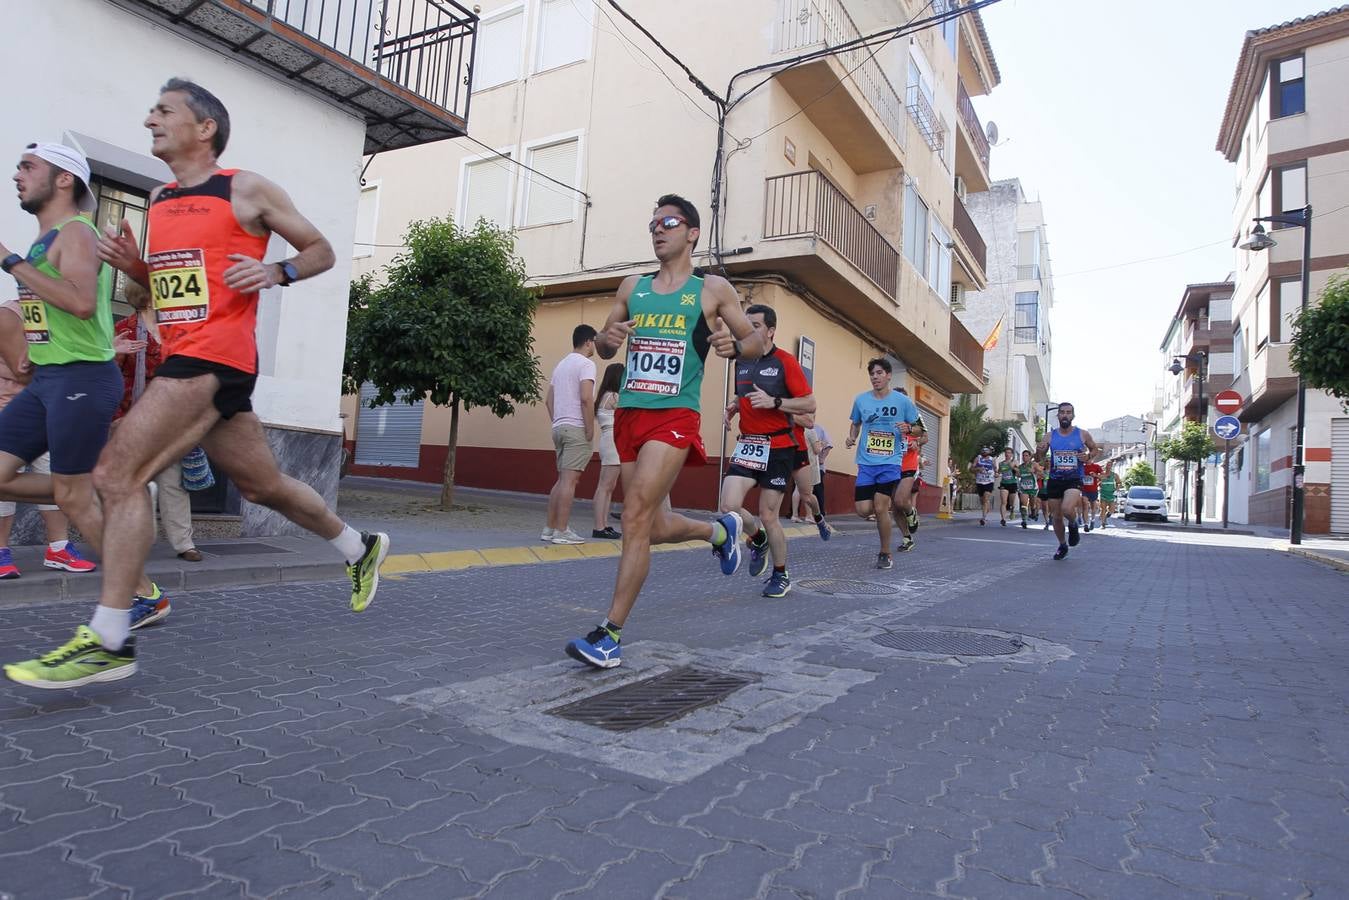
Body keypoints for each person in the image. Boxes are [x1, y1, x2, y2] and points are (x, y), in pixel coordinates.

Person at [6, 81, 390, 689]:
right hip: (184, 355)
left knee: (115, 475)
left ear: (204, 127)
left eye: (164, 111)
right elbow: (154, 294)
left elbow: (320, 250)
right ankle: (358, 545)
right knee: (263, 487)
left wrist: (276, 269)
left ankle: (109, 637)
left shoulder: (245, 188)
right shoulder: (158, 199)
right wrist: (136, 270)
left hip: (218, 357)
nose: (149, 120)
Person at [563, 194, 763, 668]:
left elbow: (754, 341)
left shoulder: (711, 289)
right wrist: (610, 341)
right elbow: (609, 346)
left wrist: (733, 345)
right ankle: (720, 532)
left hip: (675, 415)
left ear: (692, 232)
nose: (658, 229)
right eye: (652, 223)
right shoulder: (632, 285)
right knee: (650, 526)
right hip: (631, 413)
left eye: (668, 222)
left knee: (632, 517)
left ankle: (610, 635)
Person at [0, 142, 163, 632]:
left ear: (64, 179)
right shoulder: (41, 241)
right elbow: (48, 310)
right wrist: (37, 343)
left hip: (83, 379)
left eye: (28, 167)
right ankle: (110, 490)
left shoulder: (77, 232)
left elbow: (82, 304)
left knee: (72, 499)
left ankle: (144, 593)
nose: (17, 175)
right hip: (49, 376)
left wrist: (7, 261)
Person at [720, 304, 816, 599]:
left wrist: (775, 402)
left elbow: (809, 405)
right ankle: (757, 537)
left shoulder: (786, 362)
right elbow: (743, 391)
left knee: (768, 514)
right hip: (749, 443)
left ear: (771, 331)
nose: (749, 330)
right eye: (746, 325)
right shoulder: (742, 360)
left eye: (756, 326)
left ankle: (781, 573)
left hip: (779, 447)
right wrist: (735, 406)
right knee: (728, 505)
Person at [0, 288, 95, 578]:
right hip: (8, 408)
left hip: (48, 409)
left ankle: (59, 547)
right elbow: (23, 371)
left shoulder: (56, 316)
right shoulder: (10, 315)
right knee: (4, 482)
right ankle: (1, 551)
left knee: (56, 474)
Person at [113, 303, 201, 562]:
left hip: (170, 418)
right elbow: (112, 375)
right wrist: (116, 418)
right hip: (133, 416)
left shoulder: (175, 329)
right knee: (135, 482)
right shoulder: (126, 328)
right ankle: (136, 539)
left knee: (174, 481)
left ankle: (184, 542)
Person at [845, 358, 920, 569]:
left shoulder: (902, 402)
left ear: (888, 375)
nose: (875, 377)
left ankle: (885, 553)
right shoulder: (861, 400)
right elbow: (855, 424)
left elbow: (919, 429)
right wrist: (851, 437)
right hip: (866, 463)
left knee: (880, 507)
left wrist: (908, 429)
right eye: (872, 374)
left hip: (890, 462)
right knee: (862, 509)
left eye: (879, 373)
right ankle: (885, 521)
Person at [543, 324, 597, 545]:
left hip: (559, 427)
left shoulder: (561, 365)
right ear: (588, 342)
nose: (594, 346)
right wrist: (590, 428)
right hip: (576, 427)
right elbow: (586, 397)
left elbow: (548, 400)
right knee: (570, 481)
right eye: (594, 341)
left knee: (561, 480)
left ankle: (550, 527)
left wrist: (557, 420)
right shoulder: (586, 364)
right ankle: (562, 530)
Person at [1035, 401, 1100, 560]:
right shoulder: (1050, 436)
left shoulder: (1082, 434)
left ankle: (1072, 524)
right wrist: (1040, 452)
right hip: (1055, 479)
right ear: (1058, 415)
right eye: (1062, 412)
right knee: (1056, 516)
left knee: (1066, 509)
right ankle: (1062, 545)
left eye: (1068, 412)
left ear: (1073, 415)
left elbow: (1095, 449)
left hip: (1073, 479)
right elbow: (1040, 459)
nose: (1065, 415)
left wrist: (1088, 457)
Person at [590, 362, 623, 539]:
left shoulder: (604, 396)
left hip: (607, 441)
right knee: (606, 486)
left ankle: (604, 524)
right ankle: (599, 526)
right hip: (613, 442)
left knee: (607, 486)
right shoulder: (615, 397)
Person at [788, 412, 833, 538]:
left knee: (798, 490)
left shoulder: (794, 428)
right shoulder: (811, 430)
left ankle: (795, 515)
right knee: (808, 492)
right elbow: (817, 450)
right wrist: (820, 445)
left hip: (795, 461)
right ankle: (809, 515)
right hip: (809, 464)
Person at [893, 409, 926, 542]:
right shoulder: (888, 416)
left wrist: (916, 443)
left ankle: (911, 512)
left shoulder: (915, 417)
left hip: (909, 465)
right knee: (895, 508)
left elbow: (925, 436)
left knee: (899, 500)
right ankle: (907, 537)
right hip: (891, 465)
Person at [972, 446, 996, 525]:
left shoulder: (992, 460)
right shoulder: (978, 458)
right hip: (980, 481)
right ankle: (986, 509)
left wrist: (996, 473)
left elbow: (995, 469)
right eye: (983, 451)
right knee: (982, 501)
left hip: (989, 481)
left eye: (986, 451)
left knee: (985, 498)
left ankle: (983, 518)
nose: (984, 452)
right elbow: (971, 468)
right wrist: (977, 469)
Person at [996, 447, 1018, 526]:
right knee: (1004, 502)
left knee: (1011, 503)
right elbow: (998, 472)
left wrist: (1014, 468)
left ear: (1011, 454)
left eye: (1009, 453)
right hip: (1004, 484)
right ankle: (1003, 519)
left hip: (1012, 483)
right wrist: (997, 474)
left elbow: (1018, 472)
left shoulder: (1014, 462)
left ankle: (1012, 510)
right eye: (1006, 452)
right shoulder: (1001, 463)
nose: (1007, 454)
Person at [1016, 449, 1038, 529]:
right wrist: (1017, 472)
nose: (1024, 457)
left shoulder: (1034, 464)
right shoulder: (1020, 466)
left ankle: (1033, 511)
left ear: (1030, 457)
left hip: (1033, 487)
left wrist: (1034, 471)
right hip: (1023, 487)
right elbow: (1018, 475)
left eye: (1026, 455)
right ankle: (1024, 520)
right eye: (1023, 455)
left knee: (1032, 504)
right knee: (1023, 503)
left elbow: (1041, 472)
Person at [1080, 458, 1103, 531]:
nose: (1088, 460)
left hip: (1093, 490)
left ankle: (1092, 520)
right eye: (1086, 458)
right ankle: (1086, 524)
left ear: (1092, 459)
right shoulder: (1081, 467)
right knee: (1085, 505)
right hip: (1084, 490)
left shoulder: (1096, 466)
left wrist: (1095, 475)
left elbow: (1103, 476)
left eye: (1089, 458)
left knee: (1093, 507)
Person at [1097, 461, 1118, 529]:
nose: (1108, 467)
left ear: (1111, 466)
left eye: (1110, 465)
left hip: (1111, 493)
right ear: (1105, 466)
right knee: (1103, 509)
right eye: (1107, 465)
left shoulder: (1114, 475)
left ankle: (1105, 517)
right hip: (1103, 493)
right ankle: (1103, 524)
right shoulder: (1101, 474)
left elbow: (1119, 482)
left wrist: (1117, 488)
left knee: (1112, 509)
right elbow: (1096, 482)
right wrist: (1099, 483)